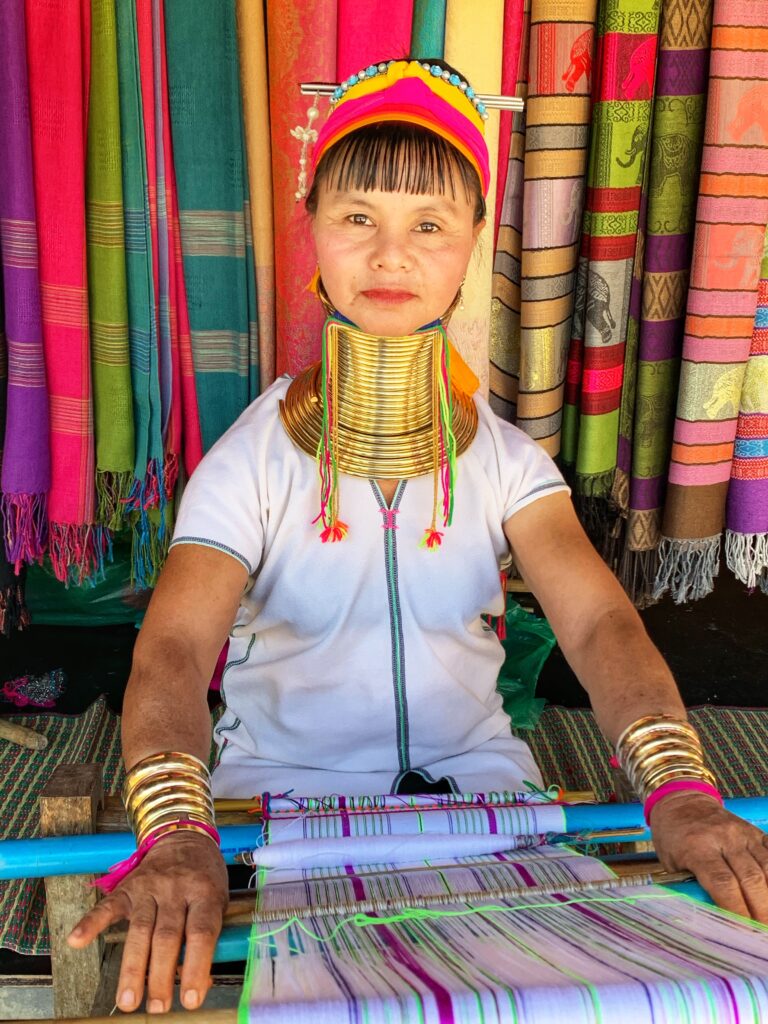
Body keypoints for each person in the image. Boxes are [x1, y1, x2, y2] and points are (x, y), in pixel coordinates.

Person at [68, 58, 768, 1014]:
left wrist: (679, 785)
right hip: (276, 811)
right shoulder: (254, 460)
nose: (391, 255)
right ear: (311, 225)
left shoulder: (509, 463)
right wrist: (178, 829)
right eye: (359, 217)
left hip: (484, 805)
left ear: (474, 243)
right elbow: (177, 649)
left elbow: (603, 626)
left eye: (429, 225)